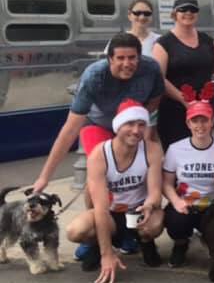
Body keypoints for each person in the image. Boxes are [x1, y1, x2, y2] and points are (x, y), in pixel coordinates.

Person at [31, 33, 165, 195]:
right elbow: (70, 129)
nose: (127, 63)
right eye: (120, 58)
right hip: (98, 123)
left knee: (137, 174)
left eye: (132, 58)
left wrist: (137, 127)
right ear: (110, 59)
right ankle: (97, 215)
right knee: (102, 172)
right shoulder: (94, 76)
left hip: (130, 126)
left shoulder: (151, 69)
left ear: (139, 57)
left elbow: (154, 101)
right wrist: (44, 177)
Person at [65, 100, 165, 283]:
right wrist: (107, 254)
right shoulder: (99, 155)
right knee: (75, 231)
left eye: (141, 124)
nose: (136, 130)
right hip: (110, 214)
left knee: (155, 224)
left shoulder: (152, 149)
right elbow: (100, 209)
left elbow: (155, 192)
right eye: (130, 124)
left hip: (138, 212)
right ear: (118, 126)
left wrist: (149, 205)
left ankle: (145, 241)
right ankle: (98, 244)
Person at [161, 98, 214, 267]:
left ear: (212, 122)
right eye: (194, 121)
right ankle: (181, 244)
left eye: (204, 120)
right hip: (186, 204)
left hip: (213, 206)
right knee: (175, 221)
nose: (200, 125)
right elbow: (166, 183)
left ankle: (211, 240)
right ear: (188, 123)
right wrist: (176, 201)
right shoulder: (175, 149)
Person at [153, 0, 214, 149]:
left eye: (193, 10)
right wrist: (185, 101)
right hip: (174, 109)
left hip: (203, 107)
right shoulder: (164, 43)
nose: (188, 13)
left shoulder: (207, 40)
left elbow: (213, 68)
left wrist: (201, 102)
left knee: (203, 148)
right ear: (174, 14)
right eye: (183, 9)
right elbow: (159, 78)